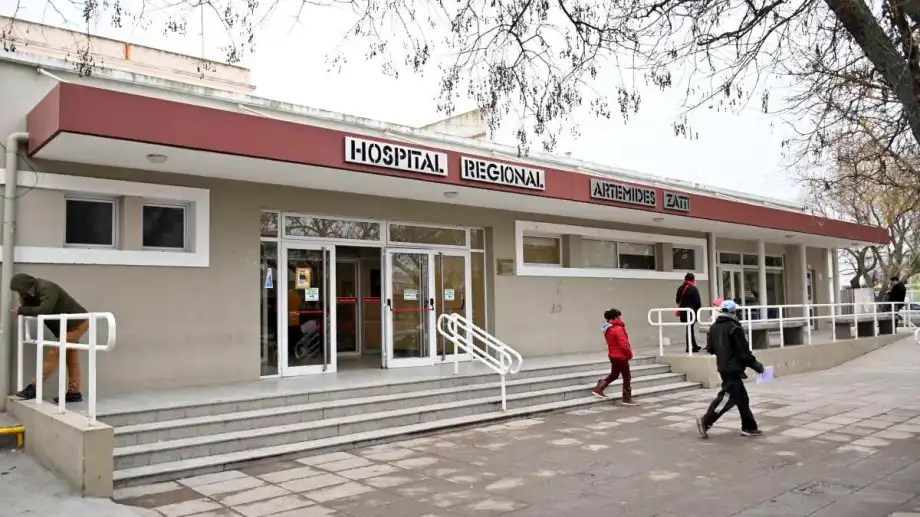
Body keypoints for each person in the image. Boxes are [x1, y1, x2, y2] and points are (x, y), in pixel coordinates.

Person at [11, 273, 89, 403]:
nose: (19, 293)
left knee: (54, 353)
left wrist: (22, 310)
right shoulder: (33, 293)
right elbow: (35, 309)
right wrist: (24, 303)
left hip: (76, 324)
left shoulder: (46, 288)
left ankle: (34, 388)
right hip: (66, 326)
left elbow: (45, 310)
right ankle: (74, 392)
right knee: (71, 358)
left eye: (20, 290)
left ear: (25, 286)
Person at [696, 299, 765, 439]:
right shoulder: (735, 328)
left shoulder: (714, 327)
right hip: (733, 369)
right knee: (726, 399)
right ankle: (706, 421)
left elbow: (710, 348)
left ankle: (749, 427)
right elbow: (744, 353)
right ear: (733, 312)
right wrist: (757, 366)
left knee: (742, 399)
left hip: (723, 367)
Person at [592, 309, 639, 406]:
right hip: (621, 356)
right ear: (615, 317)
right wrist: (629, 354)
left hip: (613, 355)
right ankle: (626, 399)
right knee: (627, 377)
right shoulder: (618, 329)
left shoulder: (608, 328)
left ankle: (599, 388)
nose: (622, 317)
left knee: (614, 374)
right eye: (620, 316)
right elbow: (624, 344)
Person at [676, 272, 702, 353]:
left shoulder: (680, 288)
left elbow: (677, 300)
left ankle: (694, 346)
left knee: (689, 328)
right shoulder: (693, 288)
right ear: (693, 280)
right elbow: (698, 302)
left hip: (683, 311)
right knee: (689, 328)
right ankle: (689, 347)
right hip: (691, 311)